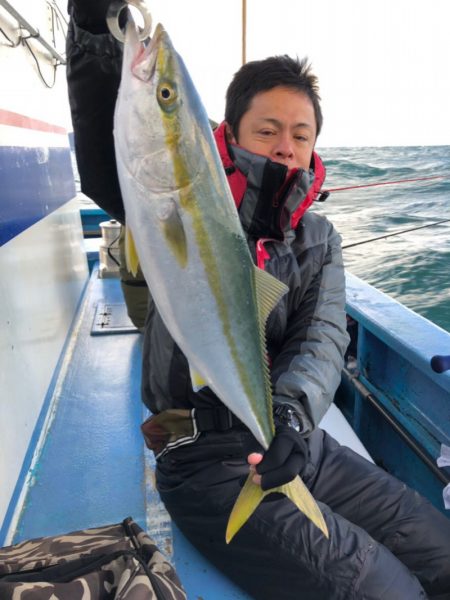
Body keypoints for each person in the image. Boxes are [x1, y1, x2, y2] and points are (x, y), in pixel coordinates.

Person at [66, 3, 450, 598]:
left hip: (297, 442)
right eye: (266, 130)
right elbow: (102, 157)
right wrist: (93, 35)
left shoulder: (318, 239)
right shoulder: (169, 191)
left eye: (300, 134)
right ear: (230, 134)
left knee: (442, 552)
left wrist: (294, 418)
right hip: (201, 458)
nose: (284, 147)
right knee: (387, 591)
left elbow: (321, 338)